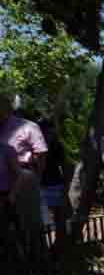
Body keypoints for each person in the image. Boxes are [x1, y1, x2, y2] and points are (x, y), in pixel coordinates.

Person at [0, 90, 47, 260]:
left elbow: (41, 154)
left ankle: (38, 261)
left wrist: (35, 178)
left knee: (30, 223)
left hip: (24, 177)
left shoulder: (28, 126)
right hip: (3, 182)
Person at [38, 118, 68, 252]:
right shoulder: (40, 145)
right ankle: (51, 244)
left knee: (57, 216)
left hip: (53, 183)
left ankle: (58, 243)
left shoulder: (56, 145)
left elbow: (64, 164)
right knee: (50, 217)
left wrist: (66, 184)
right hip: (46, 183)